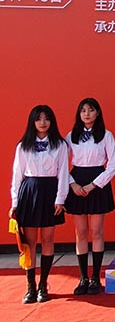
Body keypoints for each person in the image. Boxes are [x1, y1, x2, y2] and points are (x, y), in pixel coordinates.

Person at [9, 105, 68, 304]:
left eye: (46, 118)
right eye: (38, 119)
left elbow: (63, 173)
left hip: (50, 191)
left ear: (52, 121)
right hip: (30, 191)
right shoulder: (23, 146)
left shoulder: (60, 145)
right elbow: (17, 175)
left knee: (48, 239)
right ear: (32, 122)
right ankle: (30, 287)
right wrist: (15, 202)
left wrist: (60, 198)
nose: (43, 123)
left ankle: (43, 285)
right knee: (30, 242)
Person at [65, 98, 115, 295]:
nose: (87, 114)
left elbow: (114, 164)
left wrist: (93, 184)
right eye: (83, 111)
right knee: (81, 232)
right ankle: (83, 278)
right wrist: (72, 183)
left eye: (91, 110)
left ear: (98, 113)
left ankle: (96, 277)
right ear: (79, 114)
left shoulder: (106, 135)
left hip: (98, 182)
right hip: (77, 182)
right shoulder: (71, 135)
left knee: (96, 231)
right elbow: (60, 163)